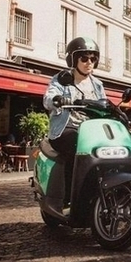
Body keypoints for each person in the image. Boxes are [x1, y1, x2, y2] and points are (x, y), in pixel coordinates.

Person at [43, 37, 106, 210]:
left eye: (93, 59)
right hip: (65, 129)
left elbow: (105, 104)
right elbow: (48, 97)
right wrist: (56, 99)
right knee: (77, 147)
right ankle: (69, 199)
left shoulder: (98, 84)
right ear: (73, 59)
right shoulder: (62, 79)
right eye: (84, 58)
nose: (89, 63)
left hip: (91, 131)